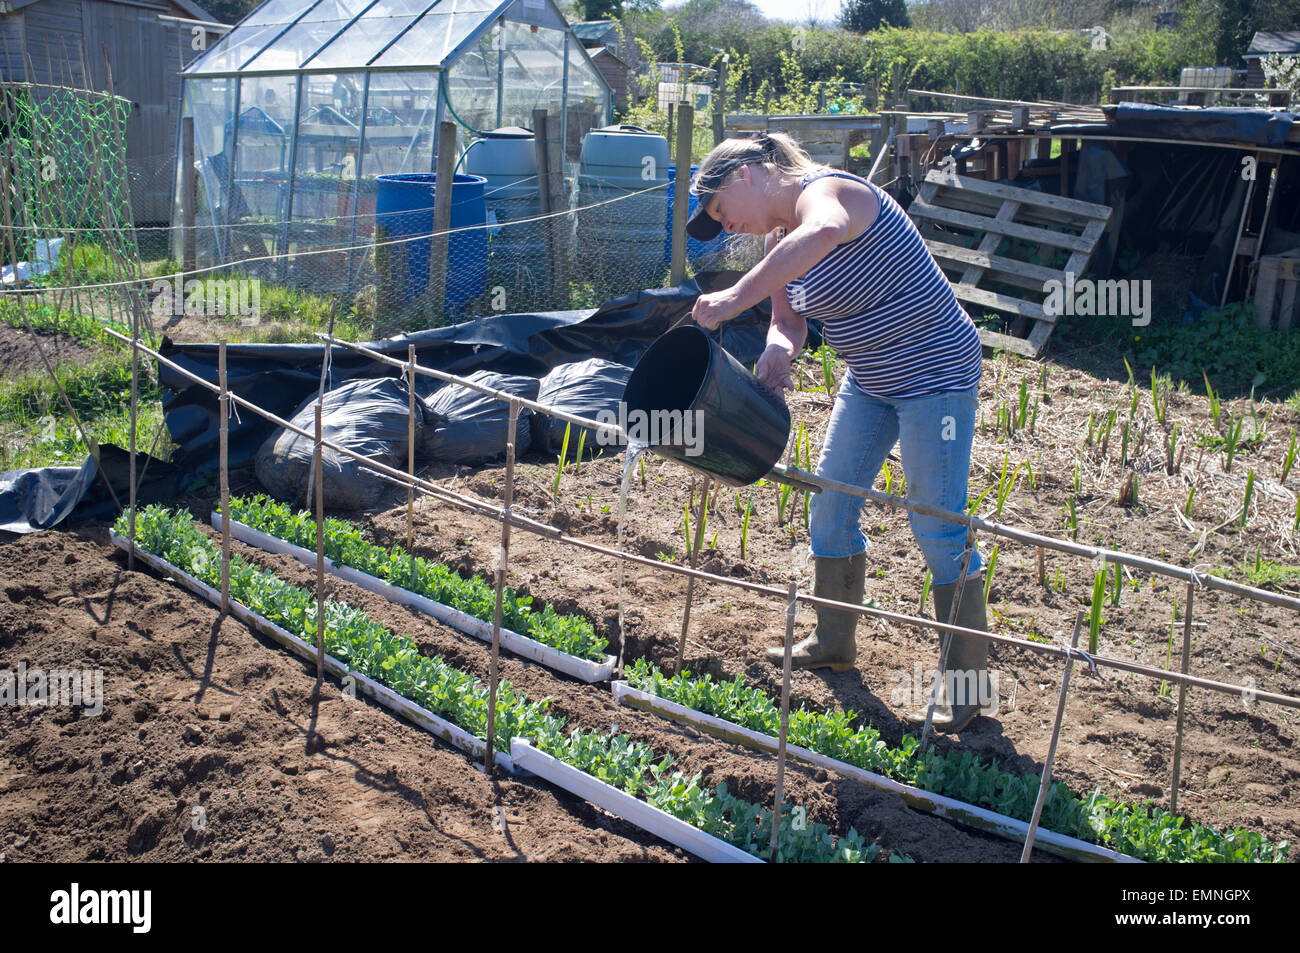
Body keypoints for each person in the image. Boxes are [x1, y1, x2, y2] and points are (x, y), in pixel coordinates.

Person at [684, 131, 990, 732]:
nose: (727, 228)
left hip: (935, 374)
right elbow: (787, 323)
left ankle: (969, 689)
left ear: (747, 174)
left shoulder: (834, 194)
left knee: (937, 527)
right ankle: (834, 641)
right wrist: (778, 353)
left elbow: (821, 236)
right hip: (871, 377)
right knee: (830, 508)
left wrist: (728, 299)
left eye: (721, 210)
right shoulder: (778, 241)